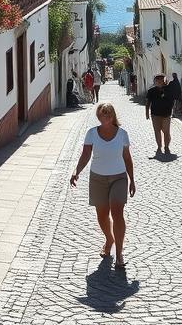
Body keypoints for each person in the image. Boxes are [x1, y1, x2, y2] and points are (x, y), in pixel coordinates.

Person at [69, 102, 136, 269]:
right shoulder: (92, 133)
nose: (104, 117)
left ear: (112, 116)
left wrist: (132, 179)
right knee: (102, 215)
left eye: (107, 114)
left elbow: (127, 158)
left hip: (119, 178)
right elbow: (85, 155)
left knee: (117, 213)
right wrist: (76, 171)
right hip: (98, 178)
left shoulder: (122, 134)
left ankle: (119, 252)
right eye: (101, 114)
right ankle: (109, 239)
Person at [145, 74, 173, 155]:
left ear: (164, 81)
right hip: (155, 115)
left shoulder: (168, 90)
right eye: (157, 80)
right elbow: (148, 102)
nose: (159, 82)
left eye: (161, 80)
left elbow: (173, 99)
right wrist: (147, 113)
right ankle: (159, 146)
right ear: (155, 81)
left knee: (166, 131)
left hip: (166, 114)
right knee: (157, 131)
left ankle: (166, 146)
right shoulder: (151, 91)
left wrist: (172, 110)